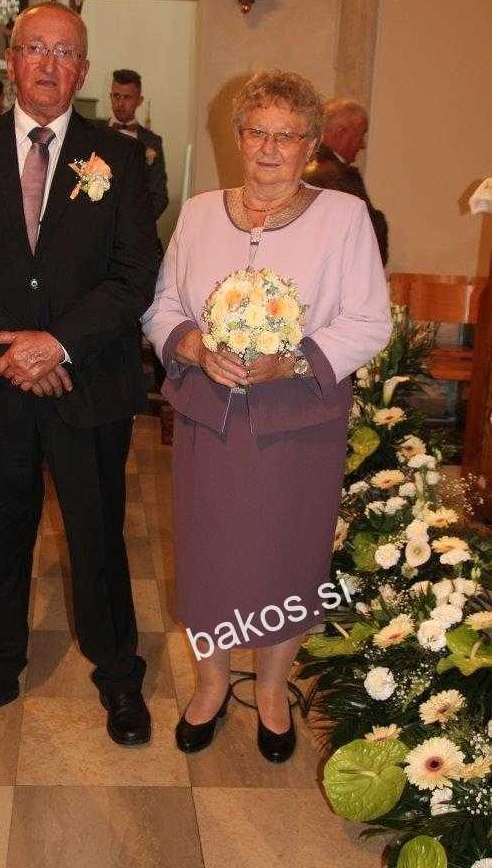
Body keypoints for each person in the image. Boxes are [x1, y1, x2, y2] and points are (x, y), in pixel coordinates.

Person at [0, 2, 160, 739]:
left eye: (65, 53)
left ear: (83, 71)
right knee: (1, 530)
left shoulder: (119, 158)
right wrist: (10, 350)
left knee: (97, 534)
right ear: (10, 60)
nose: (49, 64)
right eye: (35, 49)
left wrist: (57, 343)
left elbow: (136, 272)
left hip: (88, 380)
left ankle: (118, 672)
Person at [142, 70, 391, 762]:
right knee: (208, 556)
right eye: (258, 132)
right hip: (210, 419)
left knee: (287, 556)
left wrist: (294, 361)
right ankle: (211, 685)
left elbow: (371, 320)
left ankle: (275, 690)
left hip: (297, 423)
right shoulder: (198, 213)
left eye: (288, 135)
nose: (270, 149)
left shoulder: (344, 218)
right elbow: (161, 305)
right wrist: (192, 345)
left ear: (311, 145)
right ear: (238, 137)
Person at [304, 97, 389, 265]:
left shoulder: (301, 166)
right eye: (360, 135)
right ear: (341, 132)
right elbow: (365, 233)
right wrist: (379, 220)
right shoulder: (338, 176)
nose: (362, 145)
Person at [109, 69, 169, 221]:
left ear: (139, 100)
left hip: (136, 226)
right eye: (116, 96)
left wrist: (138, 223)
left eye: (127, 97)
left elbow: (159, 195)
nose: (120, 103)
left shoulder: (152, 142)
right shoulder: (94, 134)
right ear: (110, 96)